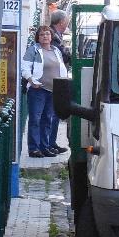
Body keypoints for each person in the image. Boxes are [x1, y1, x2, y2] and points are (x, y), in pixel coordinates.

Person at [21, 26, 68, 158]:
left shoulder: (56, 50)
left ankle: (45, 146)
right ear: (38, 37)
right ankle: (34, 148)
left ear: (51, 36)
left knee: (48, 119)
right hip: (38, 90)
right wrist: (31, 80)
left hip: (53, 90)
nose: (45, 37)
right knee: (35, 119)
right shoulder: (34, 50)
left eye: (47, 34)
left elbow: (61, 67)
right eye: (42, 35)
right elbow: (24, 68)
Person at [47, 10, 72, 152]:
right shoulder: (53, 36)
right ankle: (49, 143)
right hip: (52, 80)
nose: (68, 22)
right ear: (61, 22)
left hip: (55, 79)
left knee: (54, 113)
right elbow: (62, 55)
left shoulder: (57, 35)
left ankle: (51, 142)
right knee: (52, 113)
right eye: (67, 20)